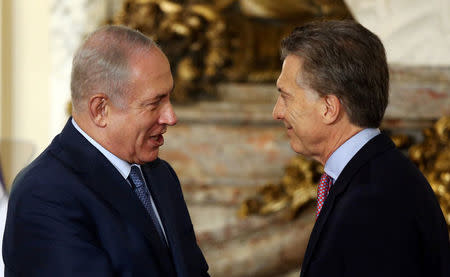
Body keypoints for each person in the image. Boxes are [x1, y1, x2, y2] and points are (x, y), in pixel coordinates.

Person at [3, 25, 209, 277]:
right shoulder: (44, 193)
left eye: (169, 99)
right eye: (155, 103)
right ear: (101, 109)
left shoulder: (160, 175)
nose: (171, 116)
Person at [273, 20, 450, 277]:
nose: (277, 112)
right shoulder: (372, 178)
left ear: (328, 108)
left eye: (285, 96)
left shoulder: (373, 201)